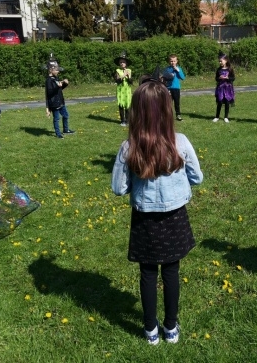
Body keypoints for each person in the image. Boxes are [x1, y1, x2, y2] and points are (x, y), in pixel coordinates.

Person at [111, 72, 203, 345]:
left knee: (148, 273)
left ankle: (151, 330)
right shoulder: (181, 141)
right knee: (171, 270)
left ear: (137, 112)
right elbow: (197, 177)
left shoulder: (129, 147)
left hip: (144, 219)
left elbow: (119, 188)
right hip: (175, 215)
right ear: (167, 109)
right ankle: (170, 327)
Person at [45, 54, 74, 138]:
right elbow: (50, 92)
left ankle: (66, 130)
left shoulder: (56, 78)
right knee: (56, 119)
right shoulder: (48, 81)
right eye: (56, 70)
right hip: (54, 103)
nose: (58, 71)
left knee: (66, 115)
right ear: (51, 70)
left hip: (61, 102)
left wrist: (65, 84)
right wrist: (57, 86)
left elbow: (59, 89)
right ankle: (58, 134)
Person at [213, 51, 235, 123]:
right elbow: (216, 78)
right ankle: (217, 116)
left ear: (225, 60)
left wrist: (228, 78)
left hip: (228, 88)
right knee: (219, 102)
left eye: (221, 61)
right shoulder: (219, 69)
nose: (220, 63)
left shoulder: (230, 69)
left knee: (227, 102)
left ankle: (226, 117)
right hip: (220, 88)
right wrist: (219, 77)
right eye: (219, 61)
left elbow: (233, 78)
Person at [163, 54, 186, 121]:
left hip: (176, 88)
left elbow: (183, 78)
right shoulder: (167, 69)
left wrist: (177, 70)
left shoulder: (179, 68)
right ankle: (168, 116)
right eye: (171, 61)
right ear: (169, 62)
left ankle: (178, 115)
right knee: (168, 103)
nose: (173, 62)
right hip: (169, 88)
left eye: (174, 61)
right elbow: (164, 78)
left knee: (177, 102)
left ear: (177, 61)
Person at [114, 52, 133, 126]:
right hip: (120, 90)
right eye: (120, 62)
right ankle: (122, 120)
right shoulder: (117, 71)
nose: (122, 63)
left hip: (127, 90)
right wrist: (123, 75)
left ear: (126, 63)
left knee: (127, 105)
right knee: (121, 105)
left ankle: (128, 120)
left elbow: (131, 82)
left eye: (123, 62)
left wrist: (129, 76)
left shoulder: (129, 70)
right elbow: (117, 80)